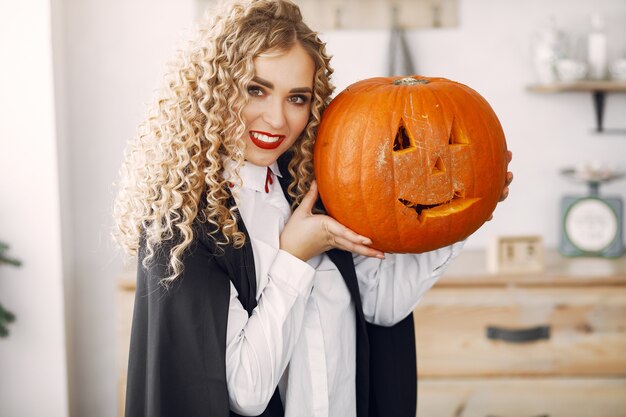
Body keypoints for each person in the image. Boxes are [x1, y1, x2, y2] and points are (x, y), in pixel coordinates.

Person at [113, 1, 513, 417]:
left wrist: (463, 210)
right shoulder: (185, 227)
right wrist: (295, 257)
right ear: (214, 90)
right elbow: (245, 394)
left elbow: (381, 306)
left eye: (297, 98)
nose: (277, 119)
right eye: (256, 89)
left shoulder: (308, 185)